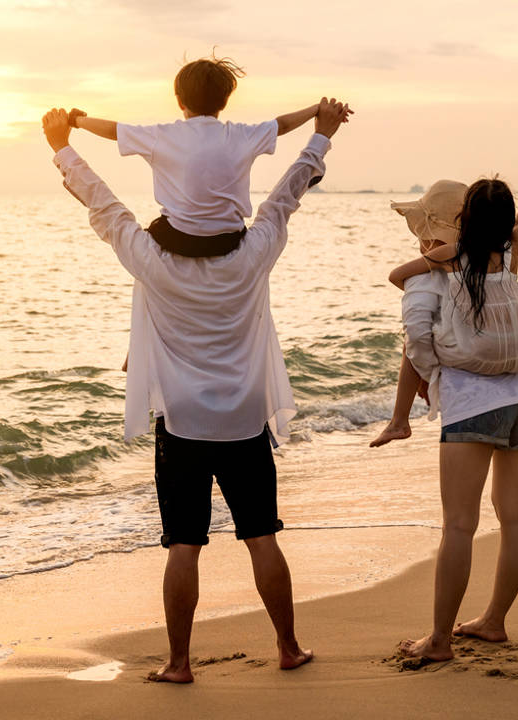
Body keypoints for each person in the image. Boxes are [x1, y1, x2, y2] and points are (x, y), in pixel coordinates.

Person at [40, 97, 351, 683]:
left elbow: (103, 203)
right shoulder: (254, 253)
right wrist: (322, 134)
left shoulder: (151, 258)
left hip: (182, 424)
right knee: (262, 537)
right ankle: (287, 647)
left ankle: (179, 663)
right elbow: (286, 195)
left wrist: (62, 144)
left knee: (183, 545)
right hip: (243, 420)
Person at [391, 169, 518, 662]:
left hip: (472, 408)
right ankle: (494, 621)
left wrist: (433, 262)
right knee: (516, 518)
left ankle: (440, 640)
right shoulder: (510, 252)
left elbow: (403, 295)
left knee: (459, 526)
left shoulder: (446, 264)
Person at [369, 153, 518, 448]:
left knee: (415, 338)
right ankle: (399, 421)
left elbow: (397, 275)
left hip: (478, 355)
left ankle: (398, 421)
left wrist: (435, 273)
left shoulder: (454, 254)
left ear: (466, 217)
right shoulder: (514, 248)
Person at [68, 55, 329, 257]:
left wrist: (78, 120)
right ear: (225, 101)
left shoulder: (162, 136)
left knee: (156, 228)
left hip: (178, 239)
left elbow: (115, 130)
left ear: (180, 101)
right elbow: (280, 125)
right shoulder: (241, 135)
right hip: (228, 241)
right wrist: (315, 110)